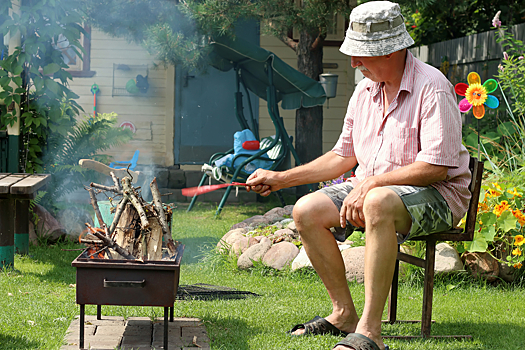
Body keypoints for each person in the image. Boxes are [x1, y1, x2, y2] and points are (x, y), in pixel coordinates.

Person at [245, 1, 472, 350]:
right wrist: (282, 177)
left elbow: (436, 166)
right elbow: (343, 156)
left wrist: (371, 184)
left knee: (378, 201)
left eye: (362, 54)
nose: (353, 62)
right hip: (376, 189)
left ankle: (370, 332)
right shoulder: (364, 91)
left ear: (393, 50)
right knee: (306, 210)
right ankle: (343, 315)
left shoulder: (433, 87)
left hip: (437, 195)